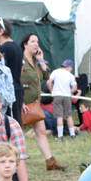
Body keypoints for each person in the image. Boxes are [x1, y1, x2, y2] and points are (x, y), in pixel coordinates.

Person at [20, 32, 65, 170]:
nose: (36, 44)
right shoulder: (19, 60)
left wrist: (41, 60)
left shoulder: (36, 61)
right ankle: (14, 161)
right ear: (25, 44)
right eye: (33, 41)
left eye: (37, 42)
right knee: (15, 133)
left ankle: (50, 161)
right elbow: (14, 80)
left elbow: (47, 76)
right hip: (21, 103)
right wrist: (19, 101)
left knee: (41, 131)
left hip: (34, 103)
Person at [0, 18, 26, 122]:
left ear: (1, 31)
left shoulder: (4, 48)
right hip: (16, 89)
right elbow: (21, 70)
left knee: (8, 125)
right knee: (15, 124)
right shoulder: (16, 46)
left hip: (8, 92)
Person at [48, 59, 79, 139]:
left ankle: (60, 136)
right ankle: (72, 135)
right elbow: (74, 88)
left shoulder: (55, 72)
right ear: (69, 67)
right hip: (67, 96)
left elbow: (49, 82)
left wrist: (51, 90)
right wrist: (69, 91)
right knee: (68, 116)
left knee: (59, 116)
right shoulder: (70, 75)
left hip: (57, 95)